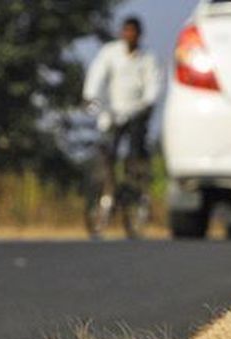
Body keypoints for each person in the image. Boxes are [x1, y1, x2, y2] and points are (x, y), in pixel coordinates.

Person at [83, 16, 162, 234]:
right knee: (107, 152)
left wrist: (147, 104)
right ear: (122, 33)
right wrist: (90, 96)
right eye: (126, 31)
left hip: (137, 112)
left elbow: (153, 86)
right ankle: (107, 189)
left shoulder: (148, 58)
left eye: (133, 32)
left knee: (135, 151)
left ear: (139, 35)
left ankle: (134, 188)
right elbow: (97, 74)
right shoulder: (111, 53)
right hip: (114, 112)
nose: (129, 36)